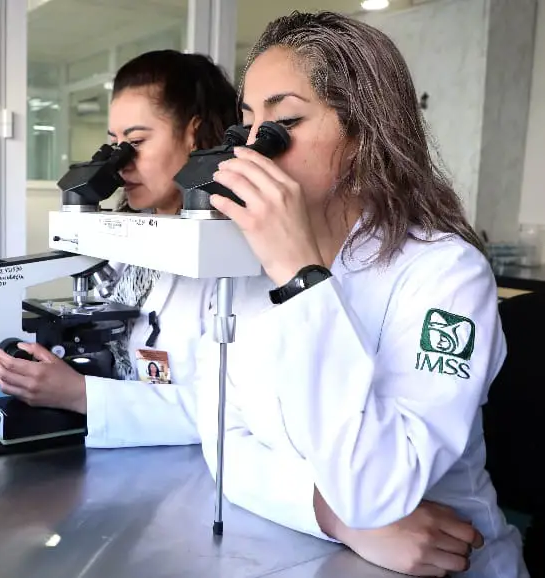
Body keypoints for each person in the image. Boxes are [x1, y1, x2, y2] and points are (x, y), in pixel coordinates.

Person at [194, 10, 528, 577]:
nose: (251, 149)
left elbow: (376, 487)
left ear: (363, 135)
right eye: (246, 125)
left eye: (284, 122)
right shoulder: (242, 264)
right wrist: (333, 517)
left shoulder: (447, 275)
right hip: (303, 551)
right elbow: (221, 441)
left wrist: (300, 276)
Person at [0, 49, 238, 448]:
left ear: (196, 134)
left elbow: (226, 413)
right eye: (114, 145)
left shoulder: (232, 258)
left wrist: (78, 394)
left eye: (136, 141)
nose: (121, 163)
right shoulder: (127, 235)